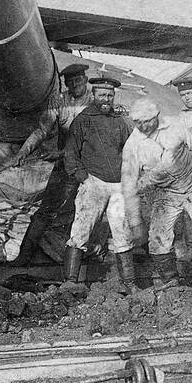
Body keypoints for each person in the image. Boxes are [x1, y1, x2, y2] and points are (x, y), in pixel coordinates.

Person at [121, 98, 192, 292]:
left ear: (157, 116)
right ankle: (171, 283)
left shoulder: (175, 125)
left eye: (148, 121)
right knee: (157, 239)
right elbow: (128, 185)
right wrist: (135, 222)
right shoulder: (132, 146)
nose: (144, 126)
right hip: (166, 192)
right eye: (139, 123)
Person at [11, 62, 95, 265]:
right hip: (65, 165)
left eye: (78, 80)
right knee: (45, 211)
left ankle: (84, 258)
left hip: (91, 167)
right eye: (70, 82)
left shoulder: (95, 101)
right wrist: (23, 152)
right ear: (65, 84)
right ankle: (24, 258)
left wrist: (62, 153)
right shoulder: (59, 101)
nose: (75, 85)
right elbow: (42, 130)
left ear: (85, 80)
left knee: (88, 211)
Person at [63, 76, 135, 288]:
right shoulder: (83, 120)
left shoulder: (120, 122)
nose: (106, 99)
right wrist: (82, 177)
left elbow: (131, 151)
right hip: (93, 183)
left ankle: (129, 283)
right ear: (93, 95)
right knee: (81, 230)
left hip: (118, 186)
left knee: (122, 231)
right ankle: (70, 282)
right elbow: (70, 152)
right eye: (102, 95)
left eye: (110, 96)